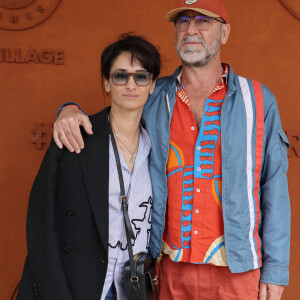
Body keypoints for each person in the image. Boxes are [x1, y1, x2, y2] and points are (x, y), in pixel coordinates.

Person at [52, 0, 291, 299]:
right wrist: (69, 109)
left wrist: (276, 269)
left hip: (238, 272)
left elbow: (275, 188)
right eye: (183, 21)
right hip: (168, 270)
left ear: (225, 32)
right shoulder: (152, 95)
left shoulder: (257, 100)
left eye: (203, 21)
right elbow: (109, 122)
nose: (191, 29)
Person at [17, 34, 160, 300]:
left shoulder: (159, 147)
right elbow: (41, 221)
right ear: (106, 82)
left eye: (141, 76)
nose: (131, 84)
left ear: (152, 85)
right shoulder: (76, 138)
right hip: (73, 287)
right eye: (120, 76)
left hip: (128, 288)